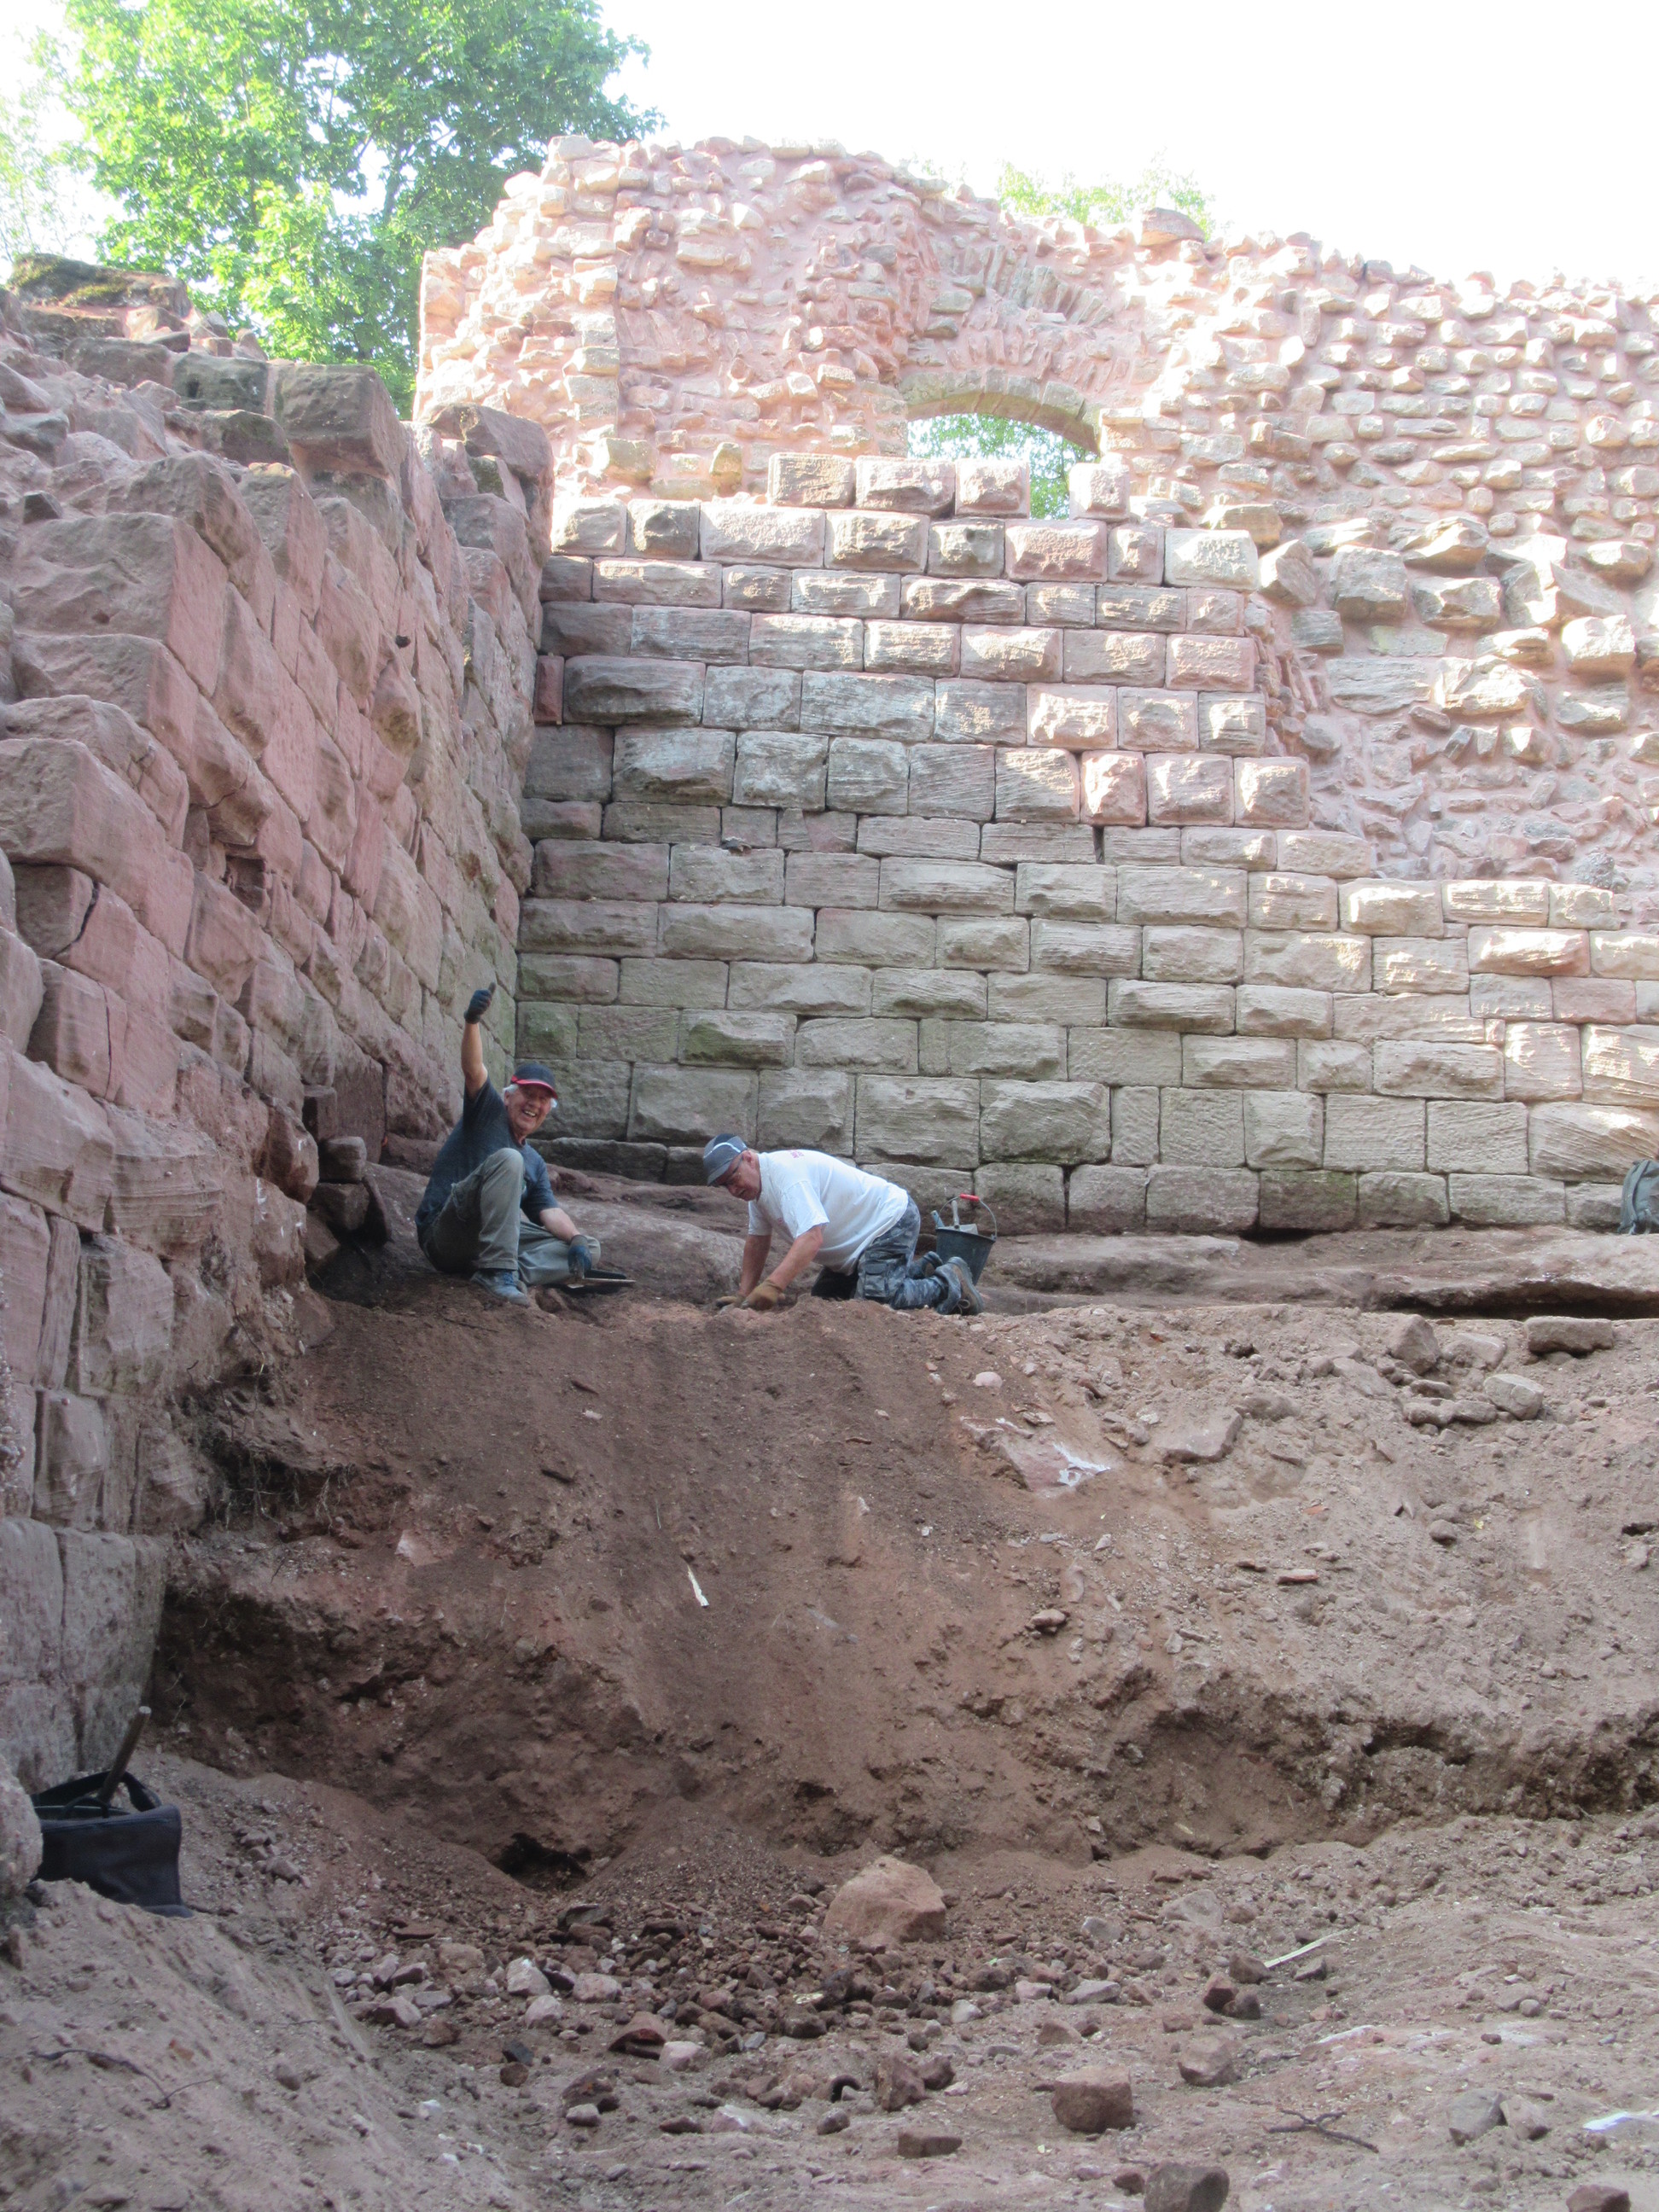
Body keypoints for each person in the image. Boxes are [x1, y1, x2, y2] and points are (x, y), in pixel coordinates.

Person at [416, 984, 597, 1305]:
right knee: (510, 1160)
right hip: (446, 1233)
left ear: (548, 1110)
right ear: (508, 1096)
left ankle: (512, 1272)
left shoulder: (535, 1162)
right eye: (528, 1094)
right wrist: (472, 1021)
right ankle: (496, 1273)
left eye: (543, 1100)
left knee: (587, 1246)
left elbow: (549, 1212)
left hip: (485, 1244)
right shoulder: (487, 1113)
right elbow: (473, 1070)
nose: (534, 1104)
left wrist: (577, 1239)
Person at [702, 1137, 981, 1315]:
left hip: (887, 1223)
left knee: (874, 1306)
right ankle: (919, 1271)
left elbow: (812, 1238)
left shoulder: (786, 1178)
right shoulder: (758, 1190)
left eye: (733, 1179)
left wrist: (773, 1286)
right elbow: (757, 1241)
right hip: (856, 1249)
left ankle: (949, 1283)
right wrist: (743, 1295)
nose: (732, 1190)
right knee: (825, 1302)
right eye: (725, 1186)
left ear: (748, 1158)